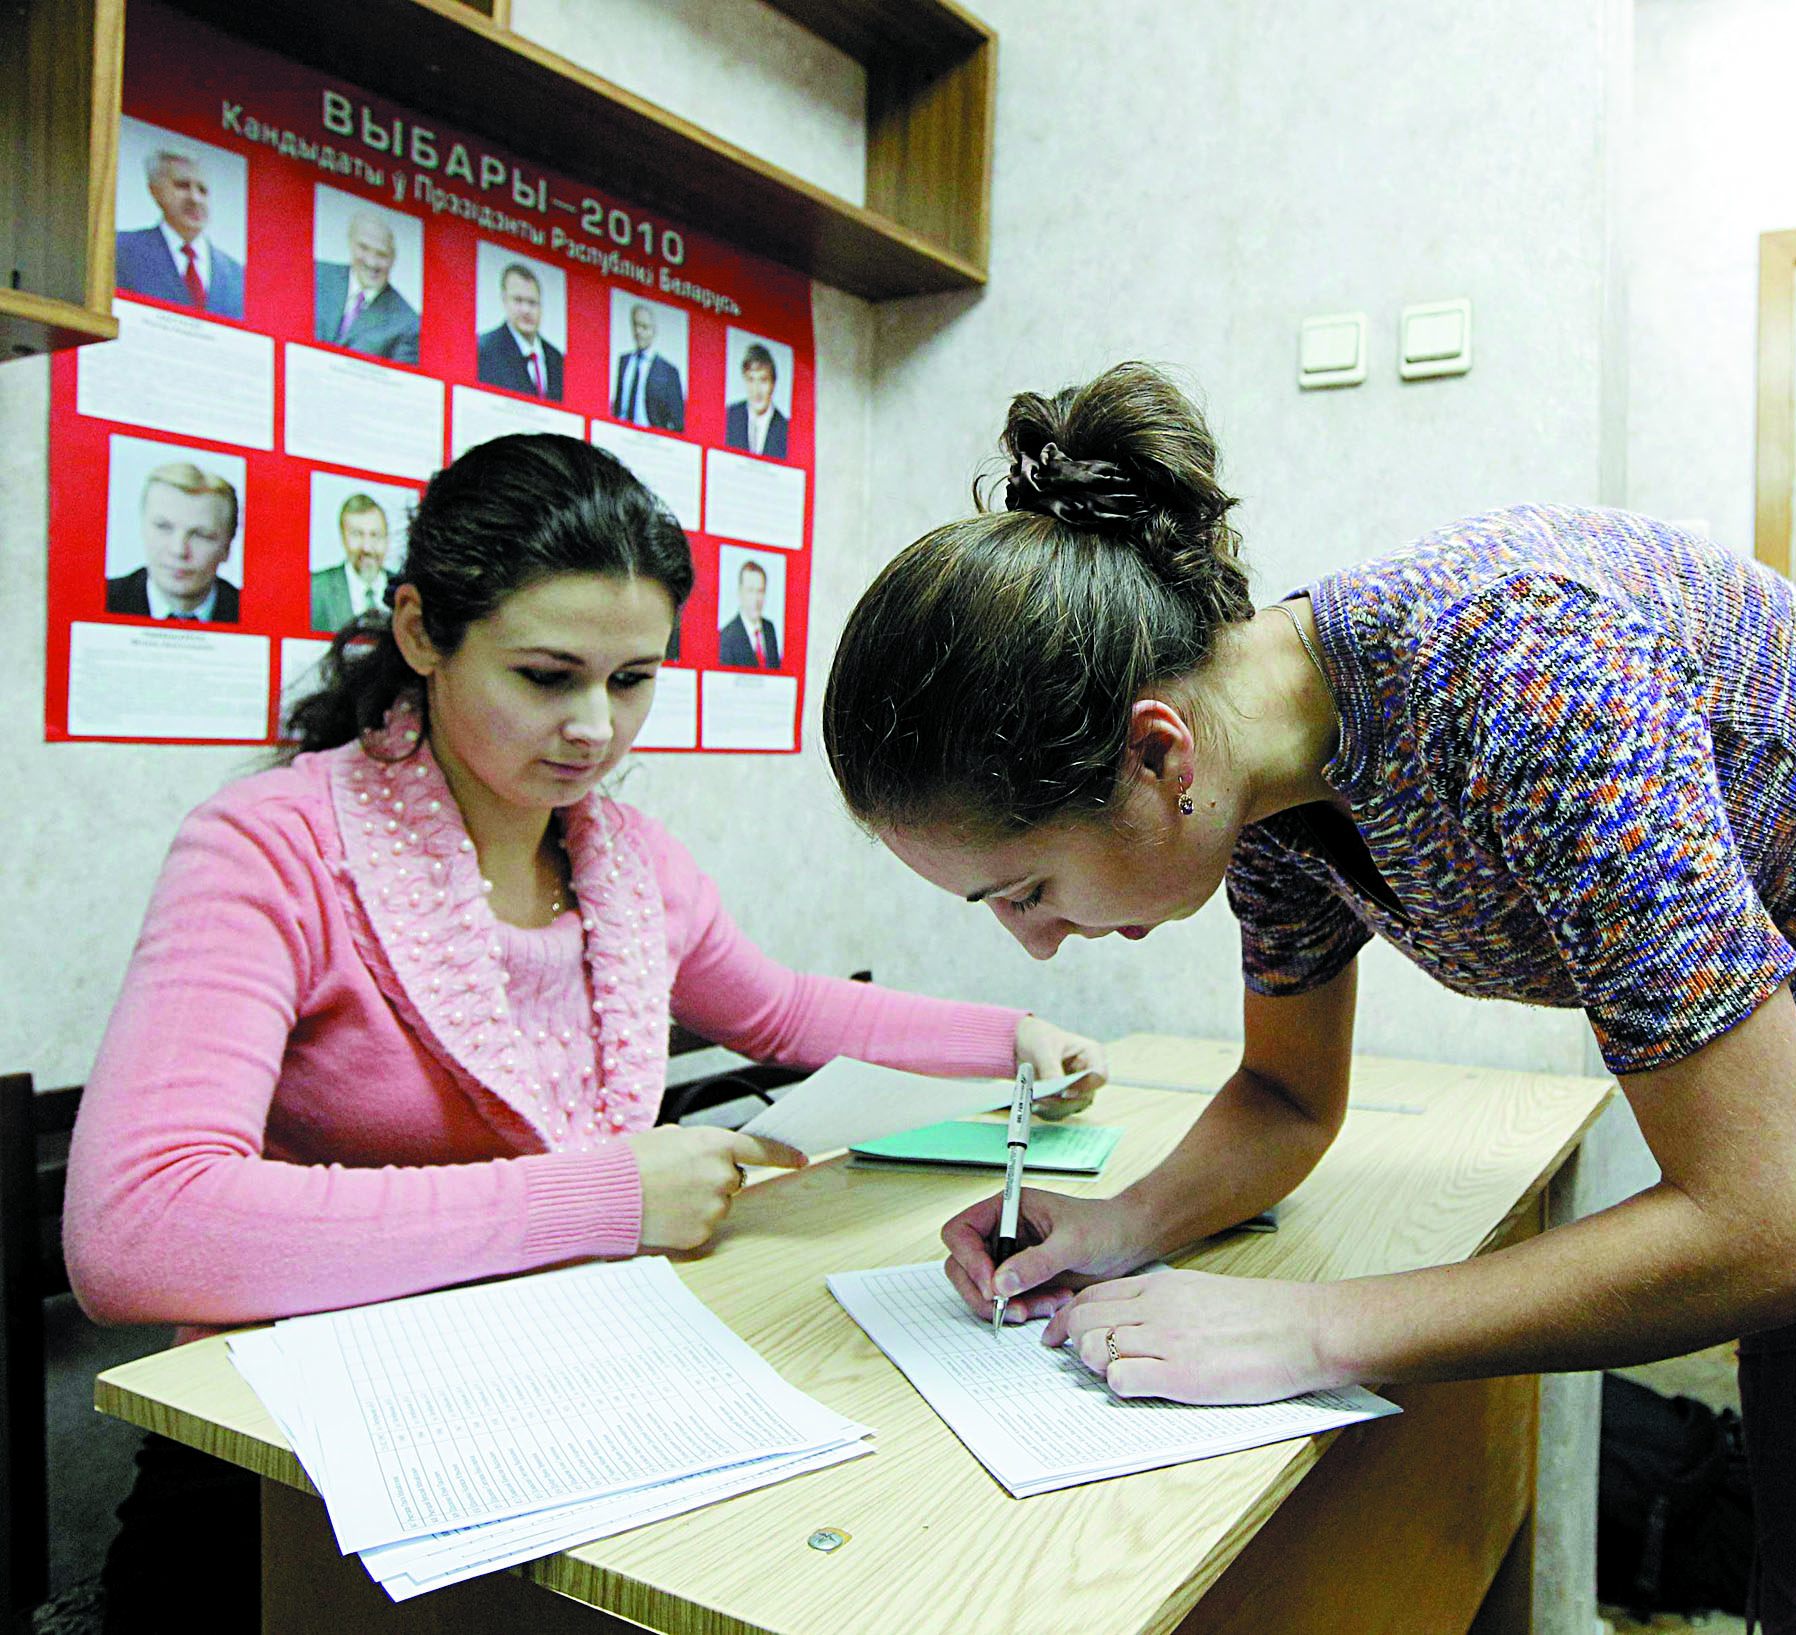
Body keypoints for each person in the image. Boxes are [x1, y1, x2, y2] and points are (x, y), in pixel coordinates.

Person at [820, 363, 1796, 1635]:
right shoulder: (1250, 784)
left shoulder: (1522, 673)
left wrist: (1312, 1326)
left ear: (1151, 755)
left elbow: (1773, 1225)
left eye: (1021, 887)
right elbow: (1283, 1094)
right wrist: (1115, 1223)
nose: (1036, 943)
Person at [66, 433, 1102, 1630]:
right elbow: (135, 1227)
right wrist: (602, 1196)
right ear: (419, 634)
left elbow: (780, 1006)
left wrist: (1008, 1034)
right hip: (288, 1465)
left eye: (632, 680)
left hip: (553, 1394)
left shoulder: (625, 861)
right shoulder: (268, 851)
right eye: (547, 675)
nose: (595, 731)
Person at [104, 461, 241, 623]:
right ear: (142, 528)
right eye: (164, 527)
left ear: (227, 547)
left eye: (200, 534)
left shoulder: (252, 611)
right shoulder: (104, 598)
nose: (179, 550)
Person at [116, 148, 245, 319]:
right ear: (155, 191)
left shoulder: (238, 275)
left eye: (202, 190)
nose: (195, 198)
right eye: (183, 186)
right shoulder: (120, 249)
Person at [313, 208, 421, 363]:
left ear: (393, 258)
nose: (372, 262)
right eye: (364, 248)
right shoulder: (318, 274)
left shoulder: (407, 323)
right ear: (351, 243)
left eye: (381, 254)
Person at [476, 262, 565, 399]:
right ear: (504, 300)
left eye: (532, 302)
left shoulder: (558, 360)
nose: (526, 310)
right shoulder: (483, 350)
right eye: (518, 300)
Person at [309, 491, 394, 632]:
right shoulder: (317, 589)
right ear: (343, 537)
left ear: (387, 539)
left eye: (375, 535)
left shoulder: (405, 588)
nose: (367, 547)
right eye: (357, 535)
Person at [612, 303, 687, 431]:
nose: (638, 332)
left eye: (644, 327)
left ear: (654, 331)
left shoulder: (669, 371)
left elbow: (677, 421)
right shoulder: (623, 360)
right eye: (635, 325)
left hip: (651, 441)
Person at [717, 558, 783, 669]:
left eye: (760, 591)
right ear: (740, 592)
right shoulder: (726, 636)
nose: (756, 599)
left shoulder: (769, 628)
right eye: (750, 591)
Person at [725, 344, 788, 456]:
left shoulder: (786, 430)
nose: (756, 390)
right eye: (751, 380)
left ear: (773, 384)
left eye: (763, 380)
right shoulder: (729, 416)